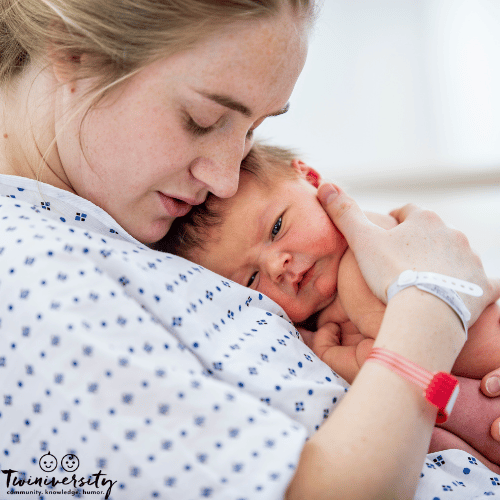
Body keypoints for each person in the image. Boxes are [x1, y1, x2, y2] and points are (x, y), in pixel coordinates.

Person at [1, 2, 500, 499]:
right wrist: (433, 301)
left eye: (251, 129)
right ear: (75, 53)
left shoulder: (112, 222)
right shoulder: (26, 279)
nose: (225, 177)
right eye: (202, 119)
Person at [160, 142, 500, 472]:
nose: (278, 265)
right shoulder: (318, 316)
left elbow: (396, 350)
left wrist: (335, 358)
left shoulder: (368, 251)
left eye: (277, 227)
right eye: (250, 279)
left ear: (310, 179)